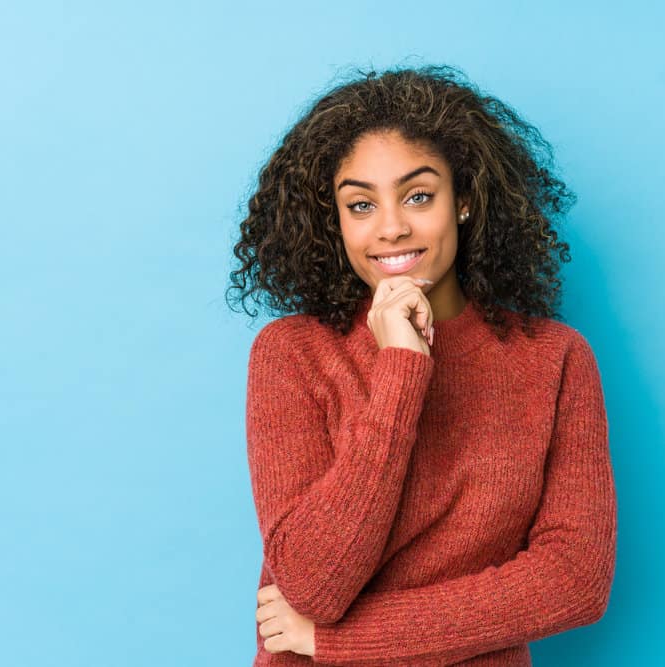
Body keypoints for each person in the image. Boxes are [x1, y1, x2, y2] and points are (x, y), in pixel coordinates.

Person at [227, 64, 617, 666]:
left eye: (417, 195)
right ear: (336, 221)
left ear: (463, 201)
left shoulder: (555, 360)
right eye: (360, 205)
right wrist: (402, 370)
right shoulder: (293, 354)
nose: (391, 228)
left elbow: (574, 581)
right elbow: (312, 583)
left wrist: (340, 641)